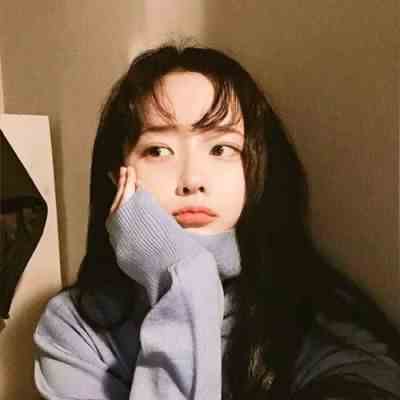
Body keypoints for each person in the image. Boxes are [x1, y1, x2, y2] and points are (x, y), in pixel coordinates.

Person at [33, 41, 400, 399]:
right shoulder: (74, 327)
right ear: (117, 176)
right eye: (158, 150)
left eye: (221, 149)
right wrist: (184, 281)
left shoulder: (322, 319)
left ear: (257, 168)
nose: (192, 179)